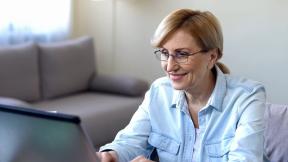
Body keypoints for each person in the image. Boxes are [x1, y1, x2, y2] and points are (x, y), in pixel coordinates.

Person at [97, 8, 266, 162]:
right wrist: (112, 154)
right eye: (164, 53)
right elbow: (130, 141)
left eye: (182, 54)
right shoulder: (159, 91)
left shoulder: (248, 97)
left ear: (212, 57)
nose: (170, 66)